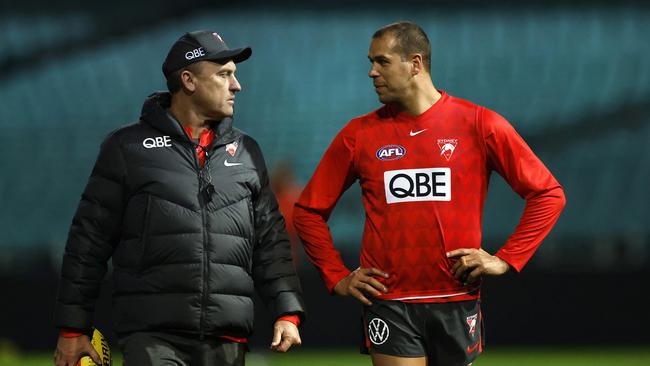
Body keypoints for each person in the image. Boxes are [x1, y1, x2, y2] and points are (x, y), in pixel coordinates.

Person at [293, 21, 565, 366]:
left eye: (382, 62)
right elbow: (307, 211)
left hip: (457, 295)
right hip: (390, 300)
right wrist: (337, 276)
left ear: (415, 64)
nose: (371, 72)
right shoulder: (358, 135)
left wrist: (506, 258)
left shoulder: (479, 124)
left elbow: (548, 193)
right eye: (371, 62)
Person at [53, 30, 305, 366]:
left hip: (227, 339)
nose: (236, 86)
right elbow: (88, 242)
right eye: (224, 74)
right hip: (153, 335)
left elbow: (270, 241)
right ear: (188, 80)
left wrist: (287, 310)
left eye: (235, 75)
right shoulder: (126, 148)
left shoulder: (247, 152)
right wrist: (73, 328)